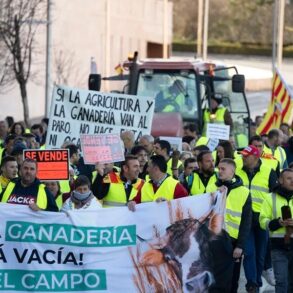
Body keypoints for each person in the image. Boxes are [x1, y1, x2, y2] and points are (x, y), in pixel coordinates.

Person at [236, 145, 278, 292]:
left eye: (246, 156)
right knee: (248, 252)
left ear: (255, 157)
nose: (243, 158)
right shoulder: (237, 171)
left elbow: (275, 196)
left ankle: (257, 280)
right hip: (244, 218)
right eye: (242, 155)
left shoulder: (269, 172)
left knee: (260, 255)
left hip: (261, 219)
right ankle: (252, 283)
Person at [207, 158, 252, 293]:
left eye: (223, 169)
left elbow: (246, 222)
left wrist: (240, 246)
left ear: (232, 171)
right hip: (213, 240)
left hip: (232, 243)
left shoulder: (244, 192)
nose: (219, 171)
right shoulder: (211, 187)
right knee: (214, 281)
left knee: (232, 281)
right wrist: (216, 195)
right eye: (218, 168)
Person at [260, 168, 293, 293]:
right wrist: (278, 222)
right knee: (281, 281)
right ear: (280, 180)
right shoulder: (270, 198)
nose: (292, 181)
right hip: (278, 246)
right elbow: (263, 222)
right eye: (289, 178)